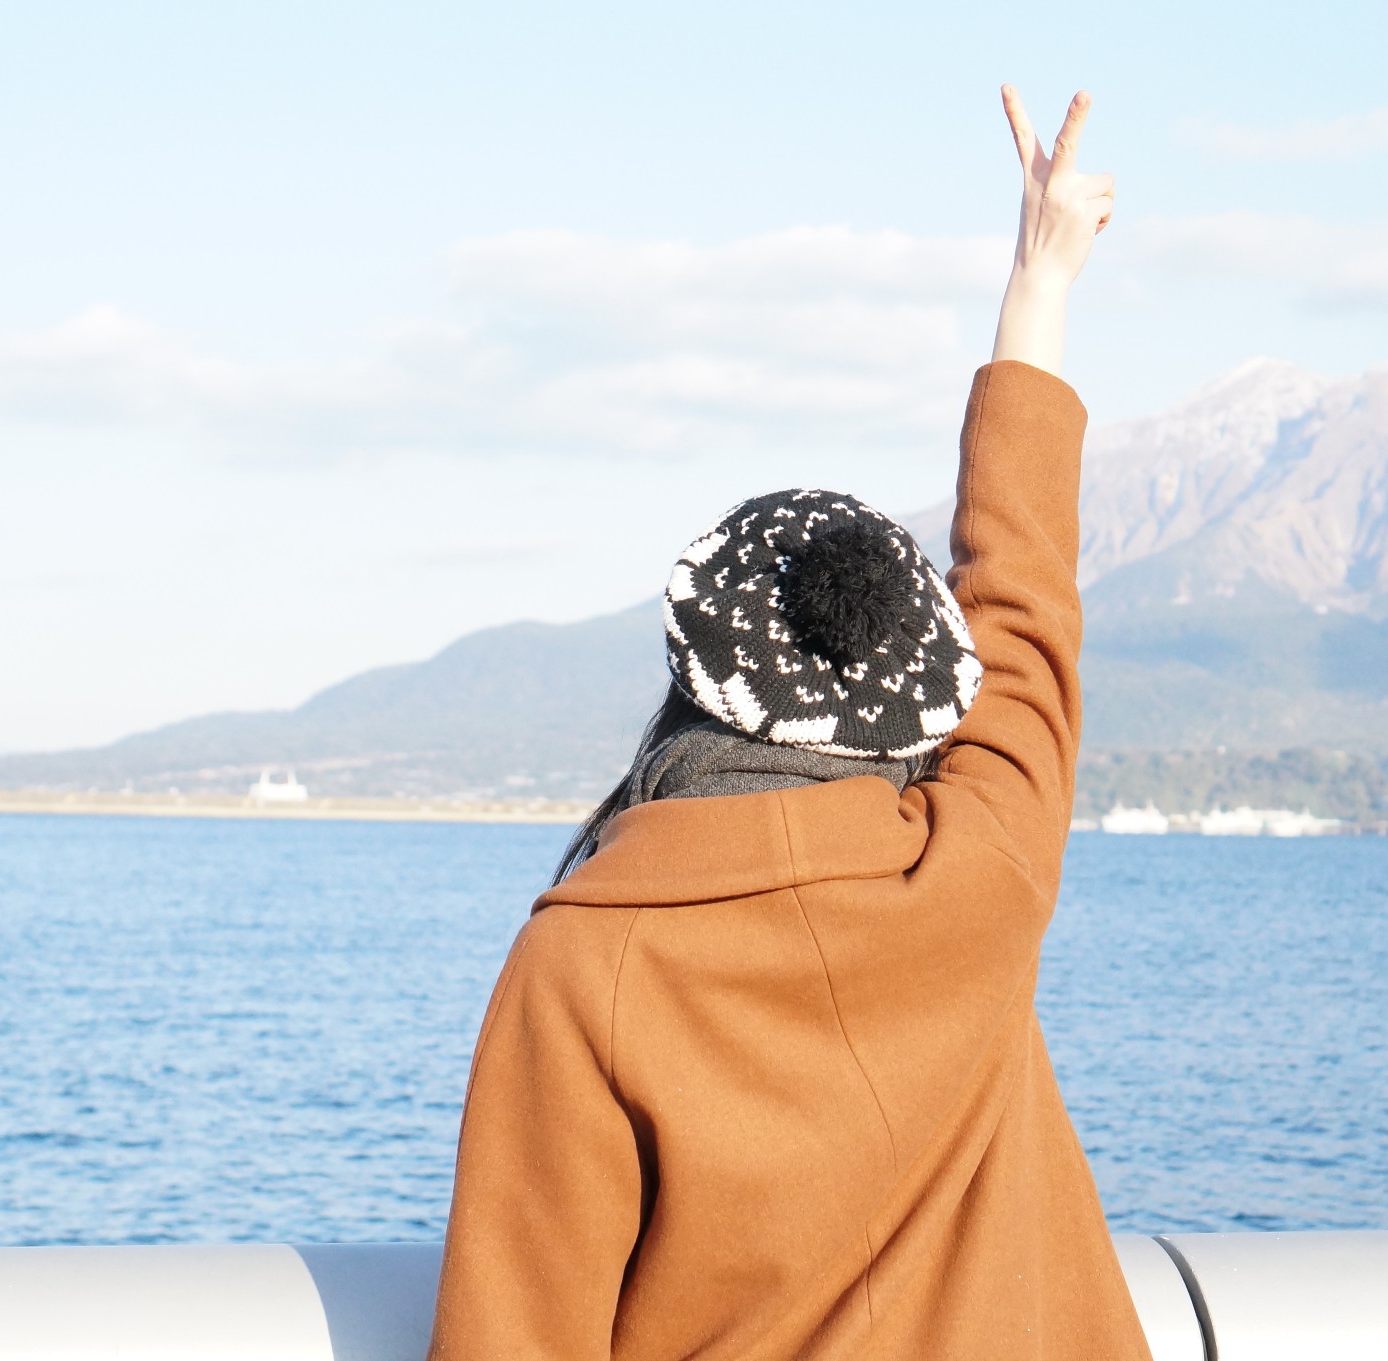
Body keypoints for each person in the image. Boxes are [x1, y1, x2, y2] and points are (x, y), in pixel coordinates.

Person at [430, 85, 1148, 1360]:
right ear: (919, 693)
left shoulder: (584, 962)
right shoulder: (984, 865)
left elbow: (516, 1335)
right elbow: (1025, 601)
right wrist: (1037, 289)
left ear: (696, 675)